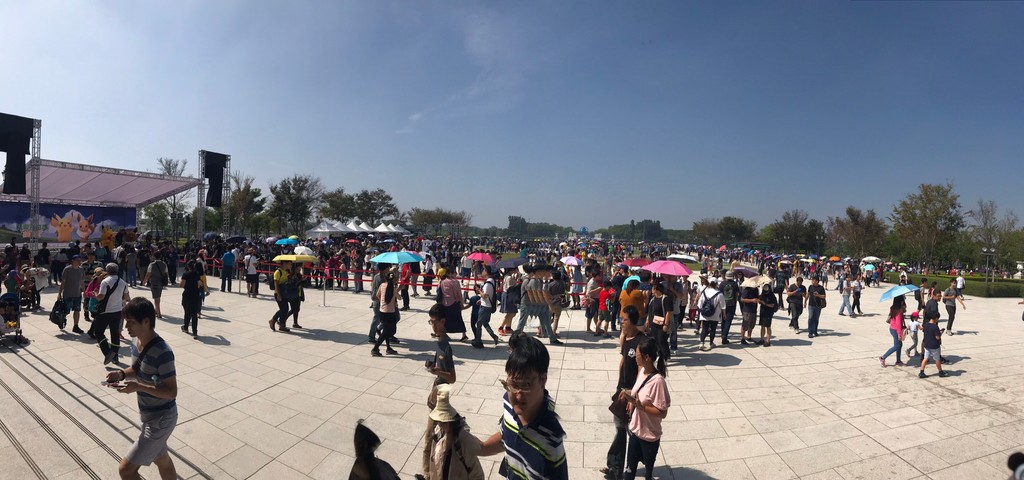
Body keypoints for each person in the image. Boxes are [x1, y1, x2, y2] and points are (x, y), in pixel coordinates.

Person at [476, 333, 568, 479]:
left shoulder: (550, 441)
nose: (518, 396)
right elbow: (507, 434)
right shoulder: (509, 402)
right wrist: (480, 447)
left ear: (543, 380)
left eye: (527, 385)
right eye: (513, 385)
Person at [104, 297, 178, 480]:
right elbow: (137, 369)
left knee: (126, 470)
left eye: (131, 322)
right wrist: (121, 374)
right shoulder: (136, 342)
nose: (126, 327)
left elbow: (171, 392)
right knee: (162, 459)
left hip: (161, 419)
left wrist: (139, 387)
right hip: (148, 415)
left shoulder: (163, 352)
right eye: (125, 321)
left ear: (146, 321)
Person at [602, 306, 645, 480]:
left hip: (632, 393)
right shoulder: (626, 338)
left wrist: (633, 394)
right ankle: (615, 467)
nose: (622, 322)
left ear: (633, 321)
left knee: (632, 432)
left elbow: (643, 371)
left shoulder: (641, 342)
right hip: (622, 390)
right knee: (620, 429)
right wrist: (619, 387)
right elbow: (623, 361)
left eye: (625, 319)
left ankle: (640, 458)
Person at [622, 336, 670, 480]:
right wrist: (629, 395)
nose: (635, 357)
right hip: (635, 431)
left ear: (647, 357)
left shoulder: (658, 382)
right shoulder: (642, 372)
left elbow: (662, 412)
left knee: (648, 474)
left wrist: (641, 407)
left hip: (649, 436)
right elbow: (639, 392)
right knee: (629, 471)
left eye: (637, 354)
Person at [421, 384, 485, 480]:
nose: (439, 424)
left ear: (451, 420)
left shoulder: (464, 440)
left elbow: (477, 474)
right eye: (438, 420)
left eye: (443, 421)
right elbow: (430, 457)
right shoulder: (438, 433)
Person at [95, 262, 130, 365]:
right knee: (115, 334)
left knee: (98, 332)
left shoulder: (105, 281)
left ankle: (107, 352)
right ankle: (115, 357)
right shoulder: (123, 282)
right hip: (117, 311)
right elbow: (127, 297)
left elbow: (101, 297)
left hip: (105, 311)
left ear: (107, 271)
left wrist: (95, 294)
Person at [437, 268, 470, 342]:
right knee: (458, 319)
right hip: (454, 303)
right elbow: (458, 294)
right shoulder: (455, 282)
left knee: (445, 319)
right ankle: (464, 335)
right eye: (455, 273)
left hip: (444, 303)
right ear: (450, 273)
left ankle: (443, 333)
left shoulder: (442, 281)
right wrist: (461, 303)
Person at [371, 272, 400, 356]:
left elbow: (377, 295)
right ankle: (375, 349)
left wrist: (383, 300)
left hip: (382, 311)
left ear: (385, 278)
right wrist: (399, 289)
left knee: (386, 330)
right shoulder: (393, 288)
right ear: (393, 279)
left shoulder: (382, 285)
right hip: (390, 312)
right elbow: (399, 297)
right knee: (391, 331)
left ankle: (388, 348)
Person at [58, 255, 86, 334]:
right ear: (73, 261)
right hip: (68, 294)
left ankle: (76, 326)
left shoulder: (81, 269)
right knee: (66, 311)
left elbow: (82, 282)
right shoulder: (67, 269)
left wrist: (85, 292)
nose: (79, 262)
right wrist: (59, 293)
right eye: (77, 260)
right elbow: (63, 282)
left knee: (77, 310)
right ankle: (61, 319)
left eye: (80, 260)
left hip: (77, 294)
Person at [918, 304, 948, 378]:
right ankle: (940, 372)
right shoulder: (935, 327)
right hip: (934, 346)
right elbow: (937, 337)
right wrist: (940, 333)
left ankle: (921, 372)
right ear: (936, 318)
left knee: (925, 358)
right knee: (937, 359)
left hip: (927, 345)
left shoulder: (925, 325)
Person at [178, 261, 204, 339]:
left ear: (188, 267)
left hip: (187, 295)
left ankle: (186, 327)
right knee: (194, 314)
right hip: (195, 295)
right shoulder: (196, 274)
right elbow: (199, 284)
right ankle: (195, 332)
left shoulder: (185, 274)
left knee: (187, 312)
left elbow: (181, 285)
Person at [270, 260, 297, 332]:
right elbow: (276, 283)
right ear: (284, 263)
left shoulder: (286, 271)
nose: (291, 265)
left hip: (284, 293)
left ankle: (282, 325)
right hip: (278, 293)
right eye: (290, 264)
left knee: (285, 309)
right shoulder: (278, 272)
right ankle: (273, 320)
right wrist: (278, 294)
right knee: (283, 309)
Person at [646, 284, 670, 360]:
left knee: (661, 340)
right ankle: (663, 355)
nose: (651, 291)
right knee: (656, 340)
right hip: (653, 323)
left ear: (656, 290)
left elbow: (668, 312)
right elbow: (650, 311)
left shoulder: (665, 299)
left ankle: (664, 357)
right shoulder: (652, 299)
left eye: (653, 289)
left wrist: (666, 324)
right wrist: (647, 321)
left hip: (662, 324)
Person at [698, 280, 724, 351]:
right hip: (715, 314)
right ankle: (711, 343)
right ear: (716, 284)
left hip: (705, 314)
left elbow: (699, 305)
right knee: (713, 329)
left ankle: (702, 343)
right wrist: (724, 314)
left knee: (704, 328)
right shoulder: (719, 294)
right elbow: (723, 306)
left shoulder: (704, 292)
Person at [880, 300, 907, 367]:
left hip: (892, 328)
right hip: (896, 330)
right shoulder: (899, 312)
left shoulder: (893, 308)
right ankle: (883, 358)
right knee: (896, 346)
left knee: (899, 345)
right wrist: (899, 334)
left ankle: (898, 361)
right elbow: (898, 324)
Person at [142, 252, 168, 319]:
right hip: (161, 283)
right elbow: (166, 273)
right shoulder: (164, 264)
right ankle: (156, 310)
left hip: (154, 283)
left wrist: (144, 281)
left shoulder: (151, 264)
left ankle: (159, 313)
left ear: (154, 256)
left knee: (156, 298)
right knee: (158, 297)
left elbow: (148, 274)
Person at [719, 271, 739, 344]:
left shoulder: (722, 284)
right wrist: (736, 302)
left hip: (723, 304)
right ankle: (724, 335)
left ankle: (722, 333)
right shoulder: (734, 284)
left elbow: (719, 294)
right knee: (728, 320)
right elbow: (737, 294)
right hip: (731, 304)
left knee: (723, 320)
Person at [289, 262, 306, 329]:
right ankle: (282, 320)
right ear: (295, 268)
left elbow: (301, 285)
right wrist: (299, 282)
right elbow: (293, 285)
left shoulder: (299, 275)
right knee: (293, 309)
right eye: (298, 269)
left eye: (300, 269)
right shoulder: (291, 275)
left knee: (297, 309)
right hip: (293, 294)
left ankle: (295, 323)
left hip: (299, 293)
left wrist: (303, 281)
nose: (299, 270)